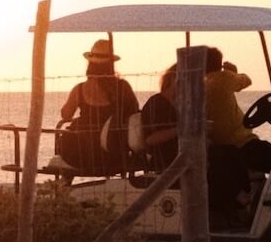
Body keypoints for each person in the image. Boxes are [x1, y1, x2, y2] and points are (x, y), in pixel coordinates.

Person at [202, 46, 271, 219]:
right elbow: (246, 80)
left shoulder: (204, 85)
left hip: (226, 144)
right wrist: (232, 71)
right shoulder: (223, 78)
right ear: (219, 64)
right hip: (242, 143)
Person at [54, 39, 138, 174]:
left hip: (81, 151)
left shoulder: (80, 89)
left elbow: (66, 115)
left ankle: (64, 186)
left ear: (90, 64)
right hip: (113, 151)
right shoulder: (122, 87)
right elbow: (134, 111)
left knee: (66, 137)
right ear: (111, 65)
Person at [138, 65, 180, 171]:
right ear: (173, 79)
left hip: (183, 157)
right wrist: (182, 129)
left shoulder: (182, 104)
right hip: (164, 161)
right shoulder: (156, 104)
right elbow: (150, 139)